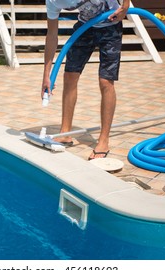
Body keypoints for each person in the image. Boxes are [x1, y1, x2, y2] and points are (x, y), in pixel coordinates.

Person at [41, 0, 130, 160]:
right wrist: (46, 75)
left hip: (111, 25)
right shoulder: (52, 2)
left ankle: (104, 140)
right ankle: (65, 132)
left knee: (105, 81)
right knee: (69, 76)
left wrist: (125, 6)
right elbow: (52, 35)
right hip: (84, 27)